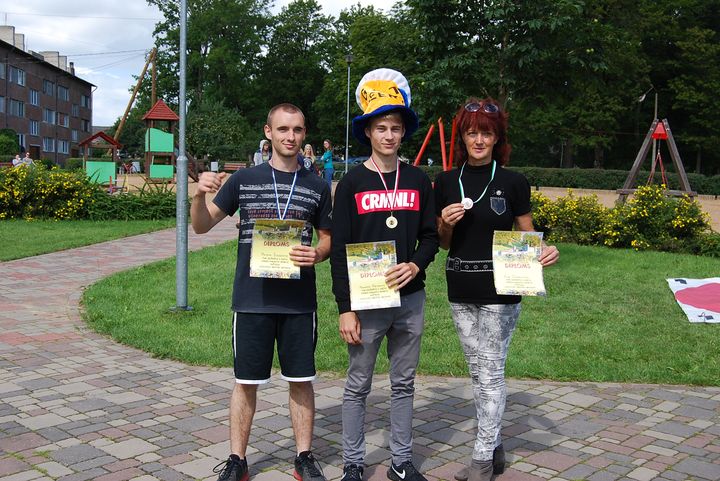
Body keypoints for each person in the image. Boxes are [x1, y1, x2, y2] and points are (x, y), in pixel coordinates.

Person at [191, 103, 332, 481]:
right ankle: (237, 460)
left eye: (297, 130)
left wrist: (318, 254)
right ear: (268, 132)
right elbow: (202, 226)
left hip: (298, 301)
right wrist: (197, 195)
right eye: (283, 129)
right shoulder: (244, 180)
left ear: (305, 134)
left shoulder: (317, 186)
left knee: (301, 379)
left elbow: (327, 238)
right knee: (246, 382)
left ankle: (304, 457)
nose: (291, 137)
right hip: (252, 299)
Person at [433, 98, 559, 481]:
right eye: (472, 132)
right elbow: (443, 244)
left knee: (490, 372)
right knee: (478, 372)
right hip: (460, 287)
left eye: (486, 133)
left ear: (497, 138)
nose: (479, 140)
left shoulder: (513, 182)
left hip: (502, 291)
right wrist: (445, 223)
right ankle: (495, 446)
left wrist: (544, 250)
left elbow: (526, 233)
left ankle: (481, 462)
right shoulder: (445, 182)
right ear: (462, 137)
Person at [330, 68, 439, 481]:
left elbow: (431, 237)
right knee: (358, 384)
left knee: (404, 384)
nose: (389, 135)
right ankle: (353, 464)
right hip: (368, 299)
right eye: (381, 128)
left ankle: (400, 462)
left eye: (395, 128)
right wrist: (345, 308)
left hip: (410, 298)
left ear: (403, 131)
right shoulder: (352, 183)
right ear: (368, 132)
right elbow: (339, 250)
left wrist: (416, 263)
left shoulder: (418, 179)